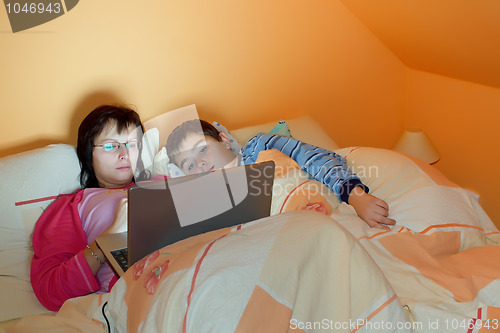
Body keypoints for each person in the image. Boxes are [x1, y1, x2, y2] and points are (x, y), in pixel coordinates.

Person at [165, 119, 396, 230]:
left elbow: (316, 158)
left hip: (324, 224)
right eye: (189, 165)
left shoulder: (259, 147)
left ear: (224, 141)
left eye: (203, 150)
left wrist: (355, 195)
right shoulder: (208, 202)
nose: (201, 164)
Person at [30, 105, 144, 311]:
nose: (125, 154)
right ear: (89, 153)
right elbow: (50, 290)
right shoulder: (72, 206)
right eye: (111, 146)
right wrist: (106, 242)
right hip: (140, 294)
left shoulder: (162, 181)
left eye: (132, 144)